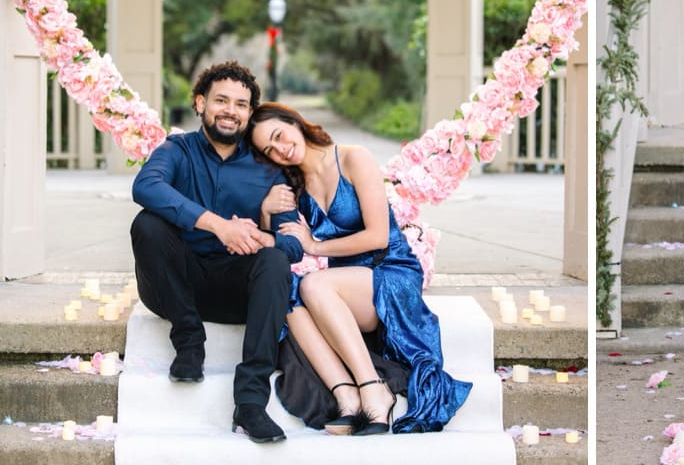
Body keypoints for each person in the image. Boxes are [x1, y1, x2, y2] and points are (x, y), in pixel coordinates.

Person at [248, 102, 472, 435]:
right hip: (347, 290)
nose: (281, 149)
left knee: (313, 286)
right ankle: (347, 396)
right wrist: (266, 212)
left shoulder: (354, 158)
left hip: (389, 272)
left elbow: (377, 236)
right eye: (270, 149)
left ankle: (374, 390)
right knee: (290, 292)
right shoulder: (293, 185)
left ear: (294, 122)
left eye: (280, 135)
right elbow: (285, 246)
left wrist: (316, 246)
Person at [131, 61, 303, 444]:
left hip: (235, 292)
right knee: (147, 223)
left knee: (275, 261)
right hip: (175, 285)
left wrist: (261, 234)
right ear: (199, 103)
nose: (230, 110)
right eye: (221, 100)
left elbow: (292, 245)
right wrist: (218, 224)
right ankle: (189, 342)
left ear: (248, 114)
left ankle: (251, 403)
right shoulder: (177, 150)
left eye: (241, 104)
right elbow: (146, 186)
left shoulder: (268, 171)